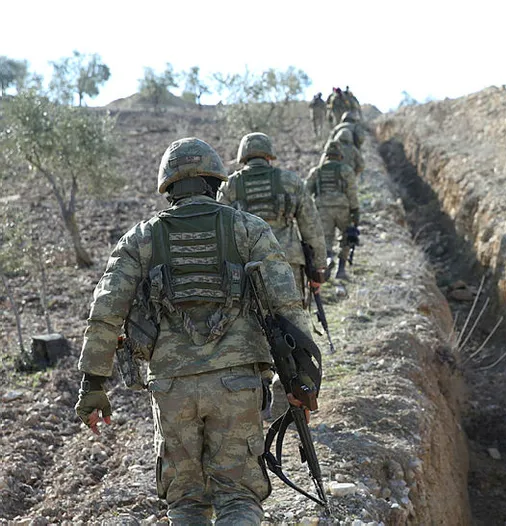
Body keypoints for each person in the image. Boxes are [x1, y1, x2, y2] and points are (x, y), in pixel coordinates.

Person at [74, 137, 318, 525]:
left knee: (186, 503)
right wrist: (303, 378)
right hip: (237, 382)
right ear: (216, 182)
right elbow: (287, 306)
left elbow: (105, 311)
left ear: (168, 186)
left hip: (172, 387)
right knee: (238, 498)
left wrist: (92, 384)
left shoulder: (140, 238)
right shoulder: (248, 229)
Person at [217, 132, 327, 300]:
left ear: (243, 156)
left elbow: (220, 228)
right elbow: (311, 226)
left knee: (253, 314)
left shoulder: (229, 186)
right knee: (292, 312)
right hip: (288, 261)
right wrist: (318, 268)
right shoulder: (290, 181)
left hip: (248, 265)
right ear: (269, 155)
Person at [306, 141, 359, 280]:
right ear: (340, 155)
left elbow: (305, 192)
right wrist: (355, 210)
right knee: (347, 237)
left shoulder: (316, 171)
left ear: (326, 155)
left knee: (326, 239)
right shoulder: (346, 170)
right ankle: (341, 270)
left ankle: (328, 260)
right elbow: (352, 193)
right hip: (343, 209)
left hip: (322, 209)